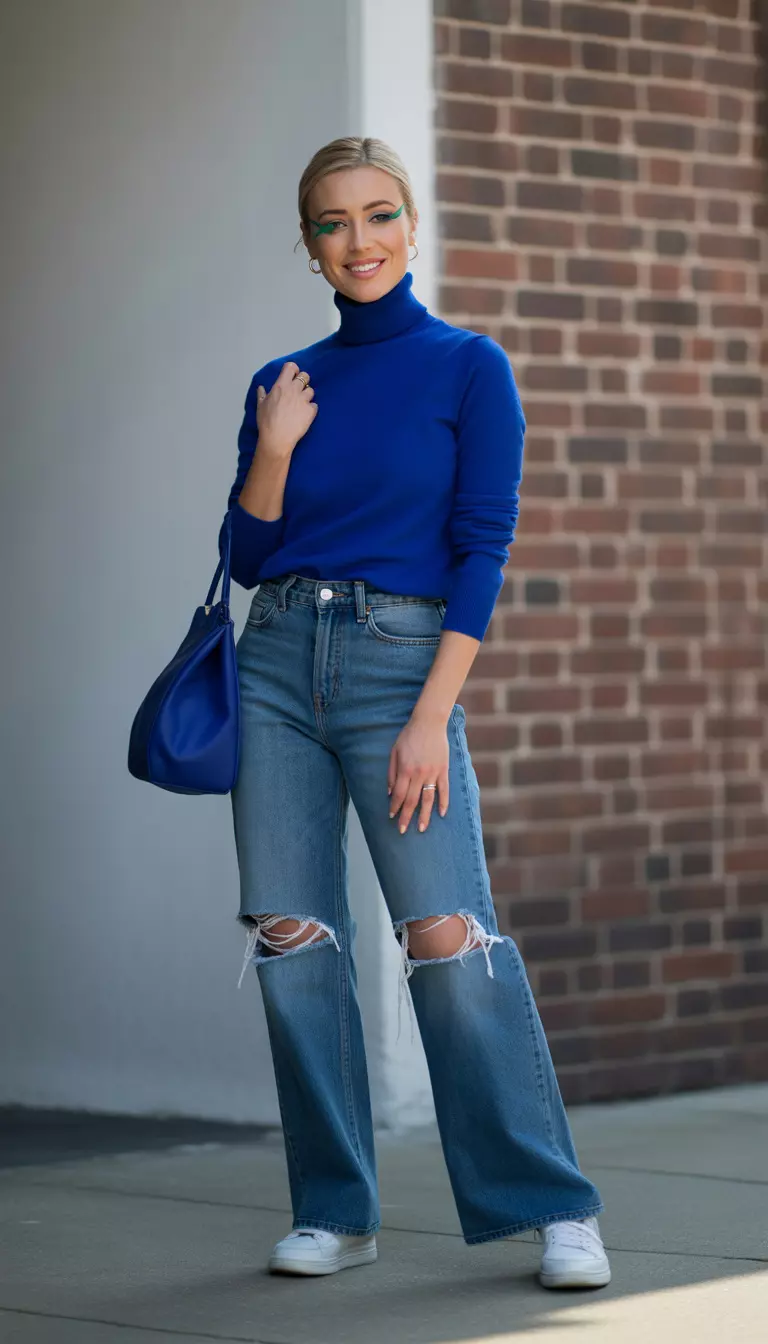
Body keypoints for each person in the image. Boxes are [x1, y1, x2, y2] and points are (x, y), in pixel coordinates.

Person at [221, 136, 610, 1291]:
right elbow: (248, 554)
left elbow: (482, 549)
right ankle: (335, 1212)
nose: (361, 241)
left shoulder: (469, 368)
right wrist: (274, 447)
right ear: (309, 246)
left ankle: (553, 1205)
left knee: (447, 934)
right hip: (275, 661)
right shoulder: (283, 383)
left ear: (411, 224)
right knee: (292, 937)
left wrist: (433, 714)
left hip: (401, 665)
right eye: (333, 222)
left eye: (379, 214)